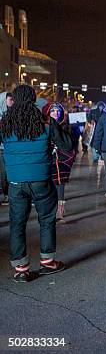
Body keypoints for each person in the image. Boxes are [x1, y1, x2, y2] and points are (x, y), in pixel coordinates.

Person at [0, 85, 72, 282]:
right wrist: (59, 124)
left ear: (14, 100)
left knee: (17, 224)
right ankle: (47, 263)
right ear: (33, 100)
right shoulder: (45, 123)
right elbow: (67, 144)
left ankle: (21, 269)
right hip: (41, 180)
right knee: (46, 220)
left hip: (15, 182)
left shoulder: (4, 124)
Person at [43, 103, 77, 221]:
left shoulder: (65, 125)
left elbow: (69, 143)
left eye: (58, 111)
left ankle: (59, 211)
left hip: (63, 160)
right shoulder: (44, 126)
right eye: (53, 111)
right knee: (48, 185)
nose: (56, 113)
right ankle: (49, 209)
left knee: (60, 184)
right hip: (48, 159)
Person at [0, 91, 14, 204]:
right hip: (2, 149)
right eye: (10, 100)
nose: (12, 102)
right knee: (4, 173)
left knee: (12, 172)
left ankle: (12, 194)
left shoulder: (15, 114)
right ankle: (6, 194)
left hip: (13, 148)